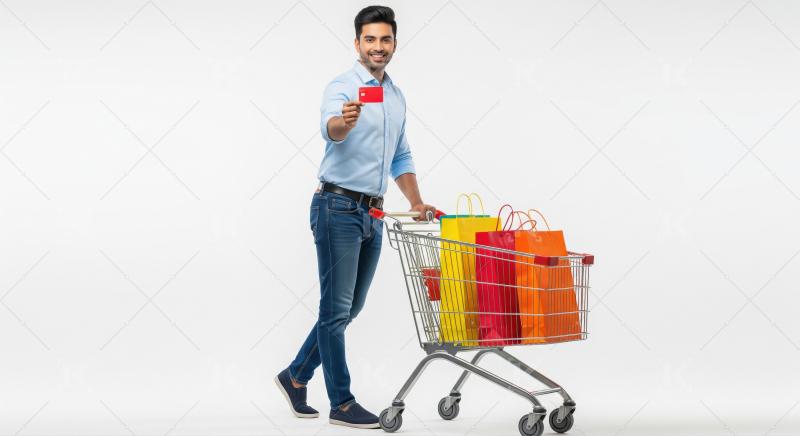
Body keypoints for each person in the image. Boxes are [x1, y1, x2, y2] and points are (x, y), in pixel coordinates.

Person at [274, 5, 437, 429]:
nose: (377, 47)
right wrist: (343, 123)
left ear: (394, 43)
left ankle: (295, 376)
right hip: (337, 208)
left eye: (385, 39)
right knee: (335, 310)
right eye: (370, 39)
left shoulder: (396, 97)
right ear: (357, 43)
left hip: (374, 213)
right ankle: (341, 403)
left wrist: (416, 201)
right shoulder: (343, 86)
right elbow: (330, 128)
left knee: (350, 308)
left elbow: (400, 155)